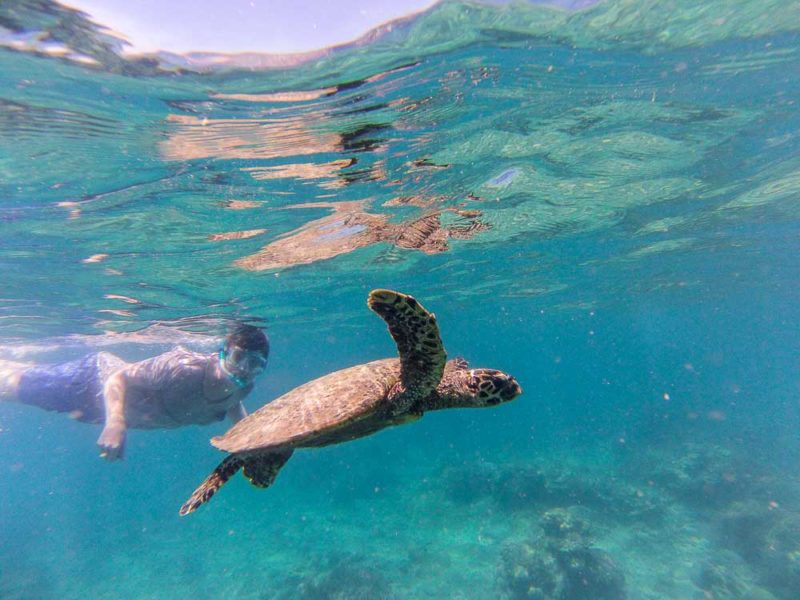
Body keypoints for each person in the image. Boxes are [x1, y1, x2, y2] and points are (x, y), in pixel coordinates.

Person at [0, 325, 269, 460]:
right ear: (222, 352)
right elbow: (118, 378)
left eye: (255, 364)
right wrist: (115, 424)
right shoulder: (183, 368)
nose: (244, 370)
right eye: (239, 358)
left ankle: (17, 365)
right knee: (10, 387)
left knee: (25, 378)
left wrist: (250, 441)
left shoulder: (243, 387)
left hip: (96, 409)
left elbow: (234, 407)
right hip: (89, 383)